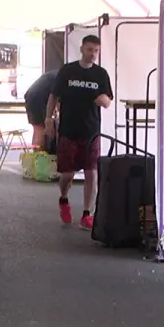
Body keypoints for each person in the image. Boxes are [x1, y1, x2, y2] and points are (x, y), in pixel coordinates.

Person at [45, 35, 113, 230]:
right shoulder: (68, 71)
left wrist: (104, 100)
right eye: (90, 49)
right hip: (69, 129)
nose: (93, 54)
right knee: (68, 174)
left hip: (91, 131)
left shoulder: (101, 74)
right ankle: (63, 198)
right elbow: (53, 96)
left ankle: (86, 214)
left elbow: (108, 100)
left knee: (92, 172)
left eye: (96, 51)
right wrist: (48, 119)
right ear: (82, 49)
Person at [24, 69, 59, 149]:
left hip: (32, 96)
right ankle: (39, 155)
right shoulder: (63, 78)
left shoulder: (56, 74)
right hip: (37, 98)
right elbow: (58, 99)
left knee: (37, 128)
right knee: (40, 128)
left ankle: (36, 153)